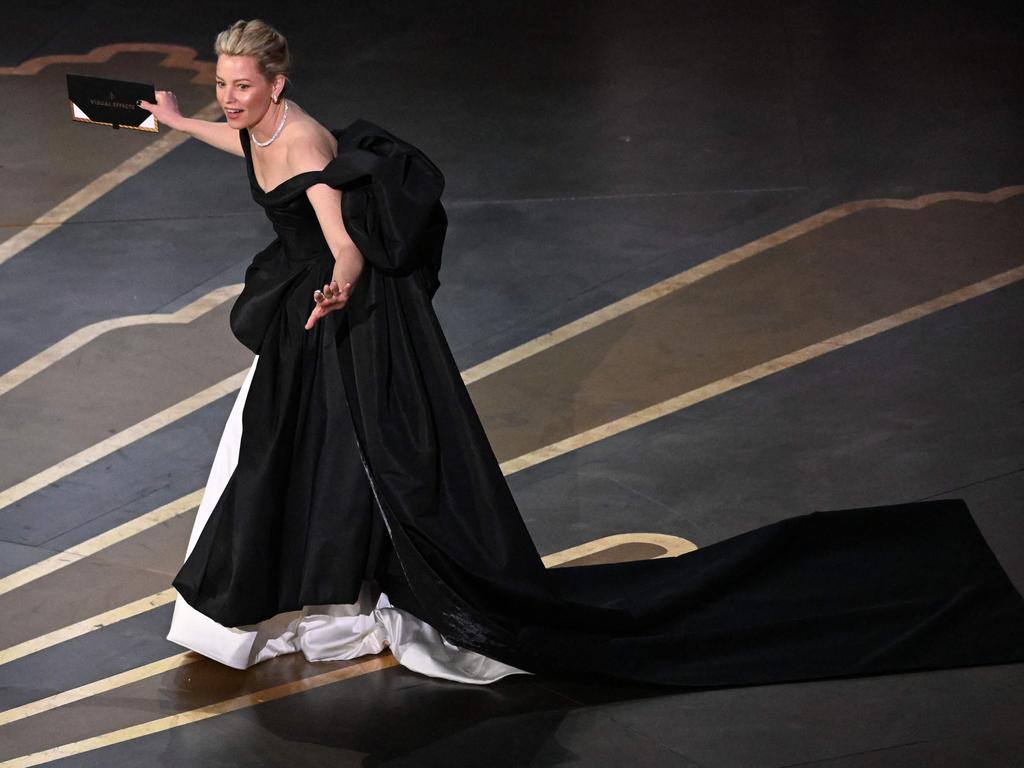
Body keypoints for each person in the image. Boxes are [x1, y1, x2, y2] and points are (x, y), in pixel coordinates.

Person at [140, 18, 1024, 688]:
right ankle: (295, 599)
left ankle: (345, 601)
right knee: (277, 459)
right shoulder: (257, 127)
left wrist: (338, 284)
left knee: (320, 466)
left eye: (241, 85)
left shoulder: (305, 138)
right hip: (303, 322)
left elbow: (342, 236)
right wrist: (179, 122)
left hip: (337, 319)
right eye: (221, 84)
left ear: (278, 81)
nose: (231, 98)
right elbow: (244, 148)